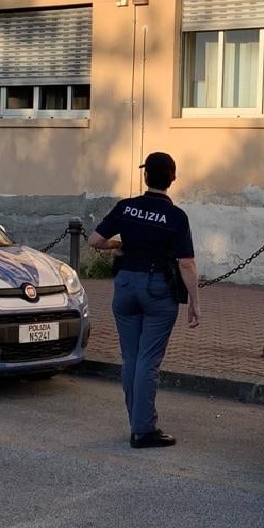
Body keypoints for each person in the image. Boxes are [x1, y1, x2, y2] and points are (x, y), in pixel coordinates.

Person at [87, 152, 201, 449]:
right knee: (148, 360)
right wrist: (195, 302)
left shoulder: (126, 207)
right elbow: (186, 263)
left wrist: (119, 244)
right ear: (172, 179)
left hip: (125, 285)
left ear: (145, 176)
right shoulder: (175, 216)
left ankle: (136, 422)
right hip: (157, 289)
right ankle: (143, 430)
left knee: (131, 358)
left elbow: (94, 240)